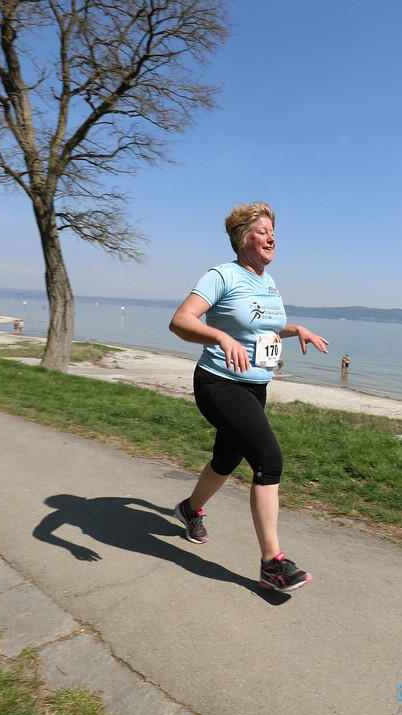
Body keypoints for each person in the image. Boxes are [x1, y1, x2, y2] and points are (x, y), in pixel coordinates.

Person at [168, 202, 329, 592]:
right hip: (219, 382)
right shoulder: (221, 275)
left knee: (227, 458)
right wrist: (220, 337)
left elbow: (260, 325)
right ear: (243, 238)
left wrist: (296, 329)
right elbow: (180, 321)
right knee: (268, 459)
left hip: (255, 384)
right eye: (262, 231)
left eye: (273, 231)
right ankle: (272, 564)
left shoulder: (267, 281)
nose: (272, 237)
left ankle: (190, 510)